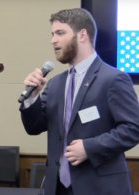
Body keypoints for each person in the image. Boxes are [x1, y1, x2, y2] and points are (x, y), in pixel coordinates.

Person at [20, 8, 139, 195]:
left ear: (82, 35)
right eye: (52, 34)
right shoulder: (55, 84)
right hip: (58, 187)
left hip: (99, 188)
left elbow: (133, 128)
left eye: (60, 33)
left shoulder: (113, 79)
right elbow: (34, 127)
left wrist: (89, 147)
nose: (53, 40)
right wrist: (33, 97)